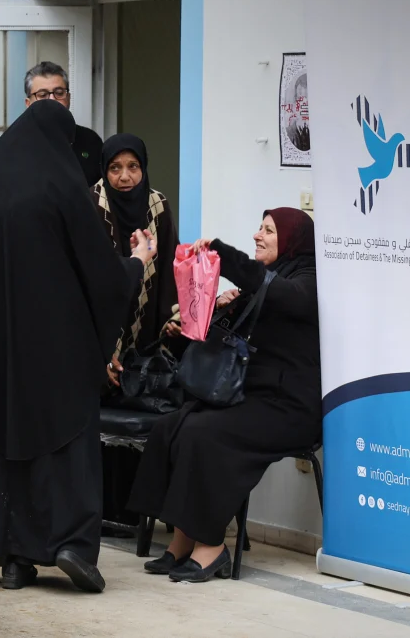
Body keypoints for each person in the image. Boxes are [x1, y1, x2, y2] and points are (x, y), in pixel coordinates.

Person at [0, 99, 155, 593]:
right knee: (63, 443)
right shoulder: (61, 188)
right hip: (56, 349)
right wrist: (137, 262)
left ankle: (12, 556)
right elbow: (100, 274)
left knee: (0, 442)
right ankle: (71, 544)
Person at [128, 208, 321, 583]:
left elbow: (282, 296)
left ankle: (211, 546)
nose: (257, 235)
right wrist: (220, 310)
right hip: (253, 398)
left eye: (268, 230)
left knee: (205, 434)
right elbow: (229, 343)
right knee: (173, 426)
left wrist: (221, 253)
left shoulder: (307, 281)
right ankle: (182, 538)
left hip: (290, 408)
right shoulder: (265, 283)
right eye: (259, 227)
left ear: (292, 240)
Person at [92, 134, 180, 533]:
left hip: (144, 334)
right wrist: (101, 348)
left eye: (133, 167)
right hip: (99, 330)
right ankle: (100, 510)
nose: (125, 177)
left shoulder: (157, 205)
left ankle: (133, 512)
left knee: (136, 400)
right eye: (115, 168)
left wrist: (170, 323)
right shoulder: (91, 204)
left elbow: (168, 272)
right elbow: (91, 279)